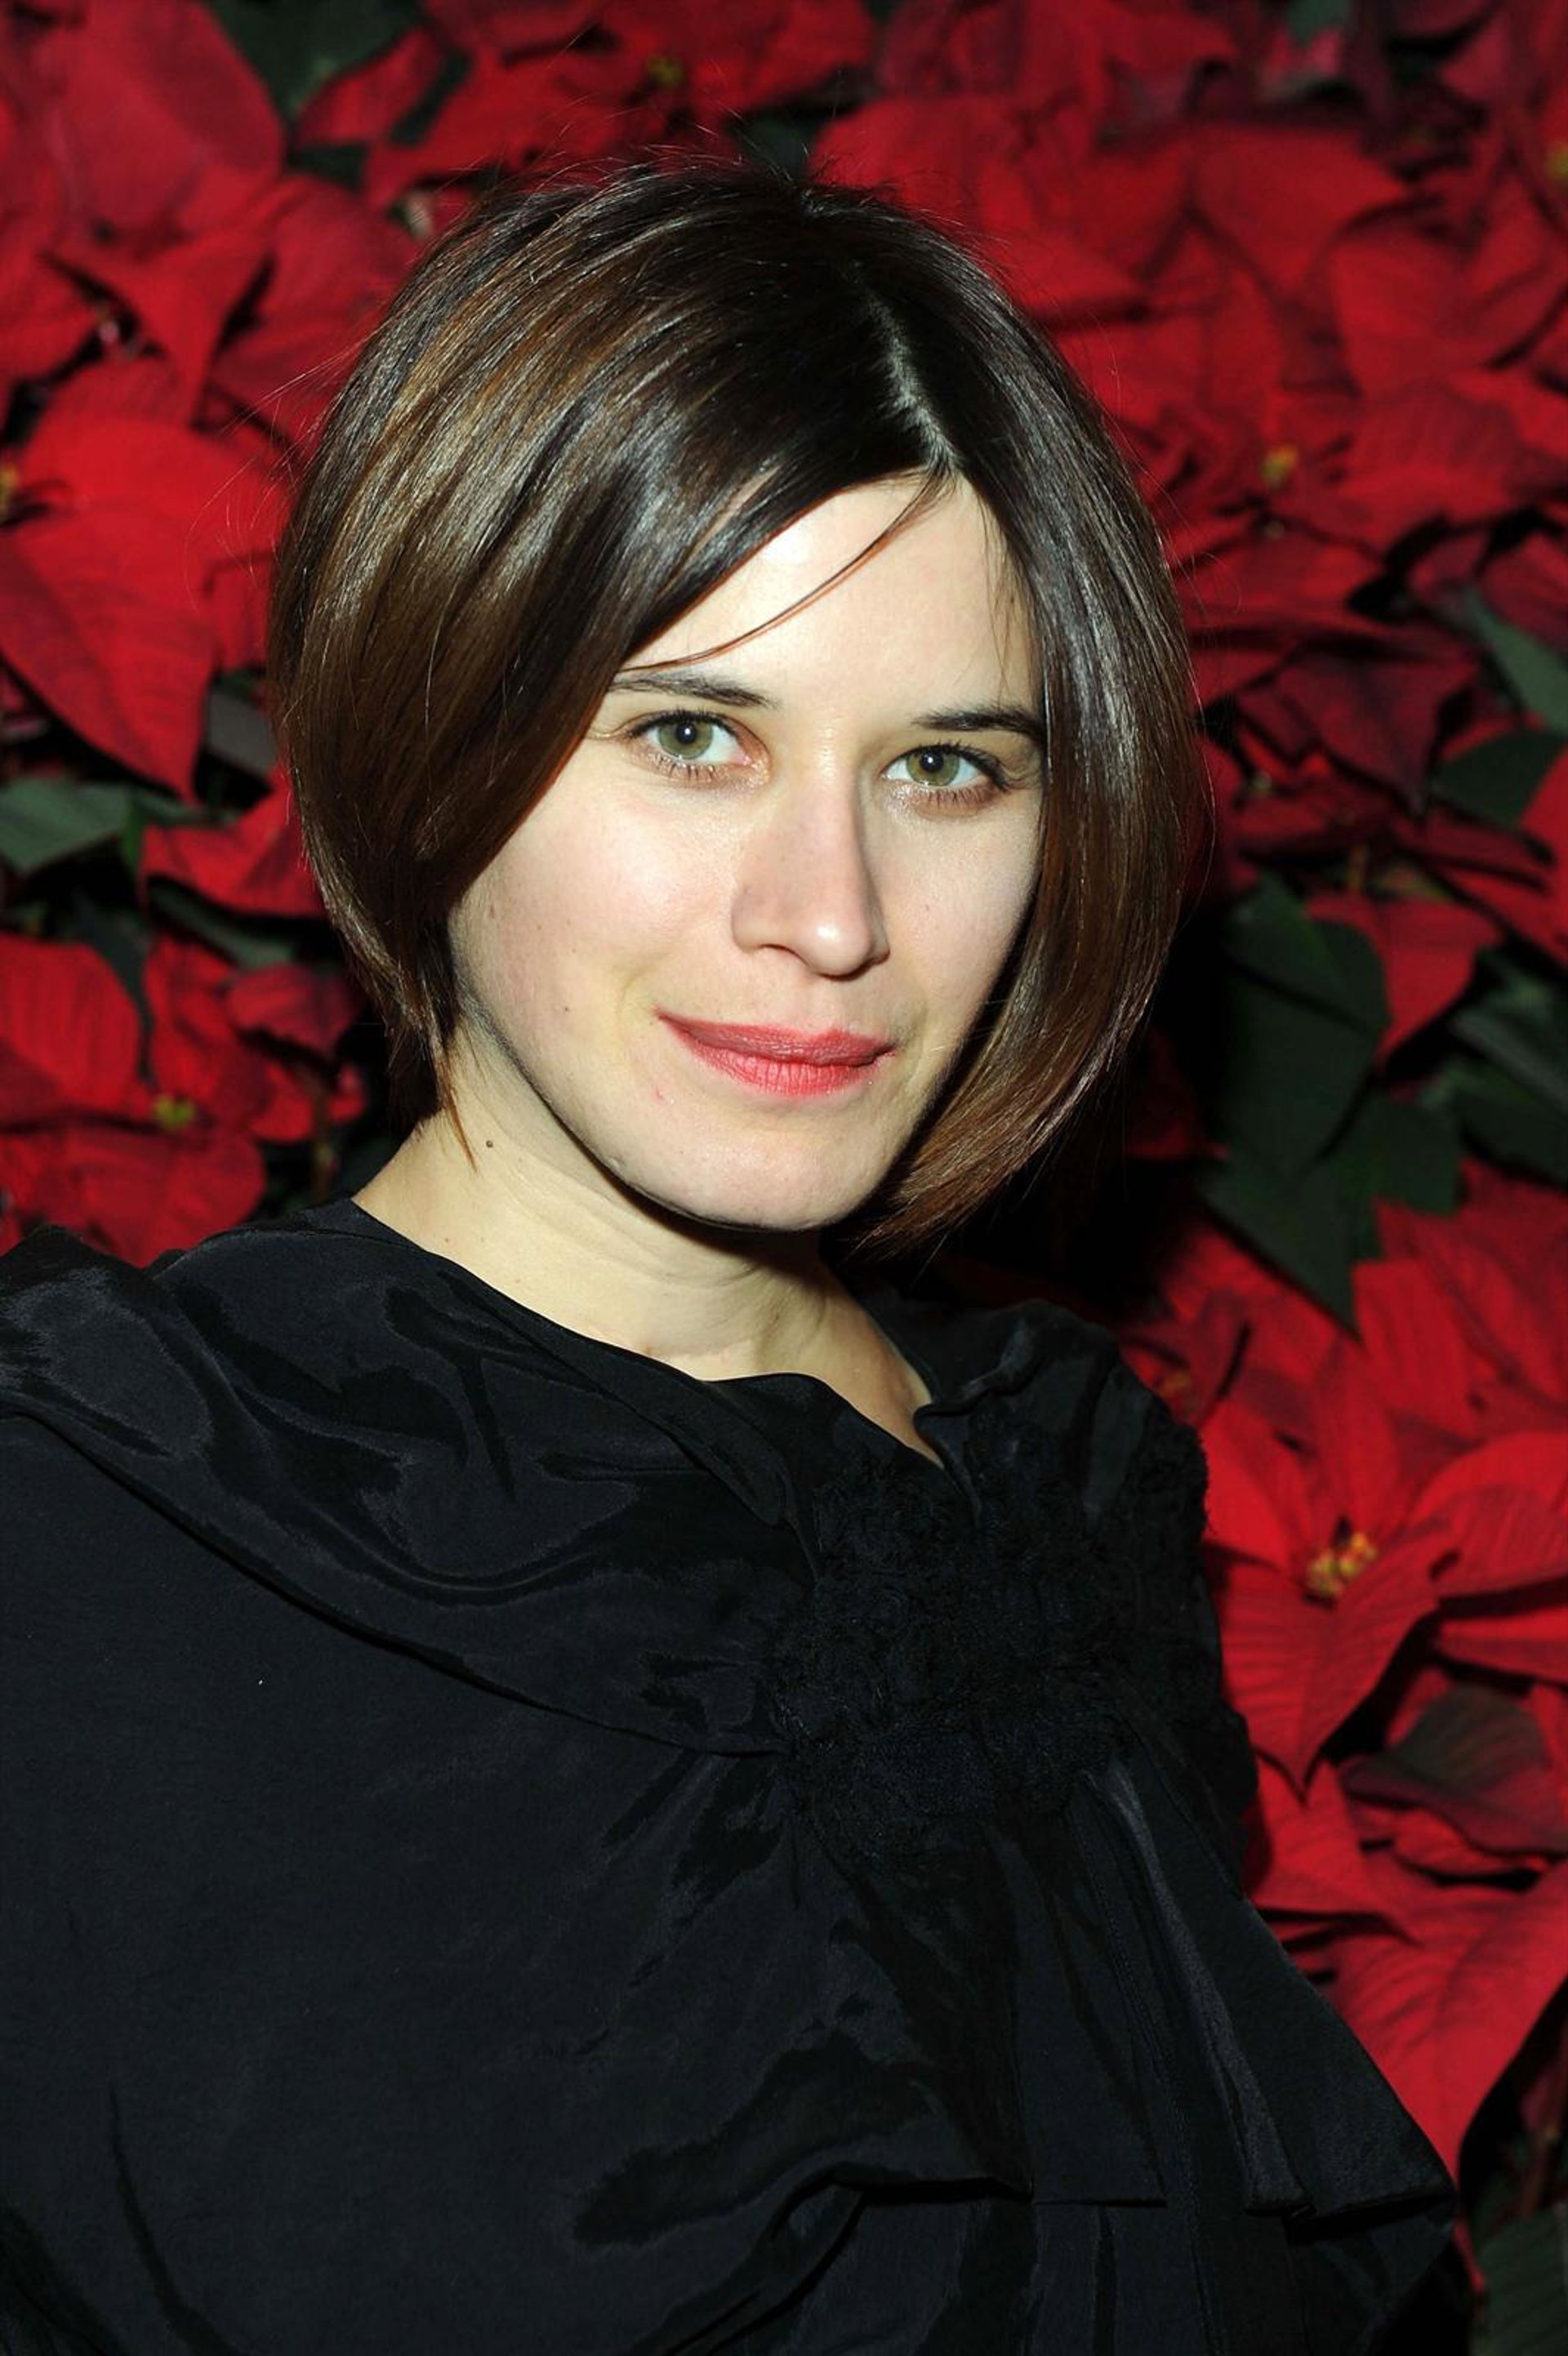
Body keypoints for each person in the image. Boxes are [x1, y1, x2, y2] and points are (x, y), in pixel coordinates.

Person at [0, 160, 1454, 2354]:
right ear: (426, 720)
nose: (835, 916)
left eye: (947, 769)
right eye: (694, 736)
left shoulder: (1063, 1496)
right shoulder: (93, 1535)